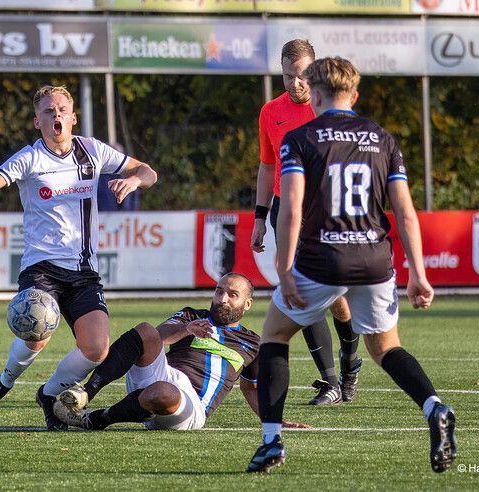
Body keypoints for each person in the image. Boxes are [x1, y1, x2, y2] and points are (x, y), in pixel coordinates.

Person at [246, 57, 457, 474]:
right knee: (386, 348)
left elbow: (289, 210)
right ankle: (434, 407)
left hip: (321, 259)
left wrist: (285, 268)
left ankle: (271, 442)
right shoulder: (383, 139)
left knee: (274, 335)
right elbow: (405, 212)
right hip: (375, 261)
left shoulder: (300, 138)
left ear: (317, 95)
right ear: (355, 95)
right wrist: (418, 273)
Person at [0, 85, 158, 431]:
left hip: (84, 271)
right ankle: (4, 383)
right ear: (37, 122)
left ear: (73, 118)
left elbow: (148, 170)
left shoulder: (93, 151)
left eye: (61, 109)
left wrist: (135, 181)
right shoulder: (30, 158)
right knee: (37, 334)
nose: (55, 114)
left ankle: (48, 394)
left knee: (97, 349)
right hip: (41, 268)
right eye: (48, 111)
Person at [251, 38, 362, 405]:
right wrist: (259, 216)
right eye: (287, 76)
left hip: (329, 208)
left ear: (313, 73)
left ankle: (349, 363)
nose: (294, 84)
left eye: (301, 76)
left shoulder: (328, 107)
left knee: (338, 301)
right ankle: (329, 381)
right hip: (287, 209)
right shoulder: (270, 112)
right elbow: (268, 167)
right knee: (299, 292)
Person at [51, 273, 308, 431]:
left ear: (247, 303)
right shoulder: (191, 316)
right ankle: (86, 392)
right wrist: (187, 328)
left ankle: (94, 420)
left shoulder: (252, 343)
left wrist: (274, 420)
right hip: (163, 374)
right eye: (219, 291)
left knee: (163, 392)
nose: (223, 299)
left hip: (190, 407)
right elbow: (158, 337)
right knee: (144, 330)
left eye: (232, 294)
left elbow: (251, 388)